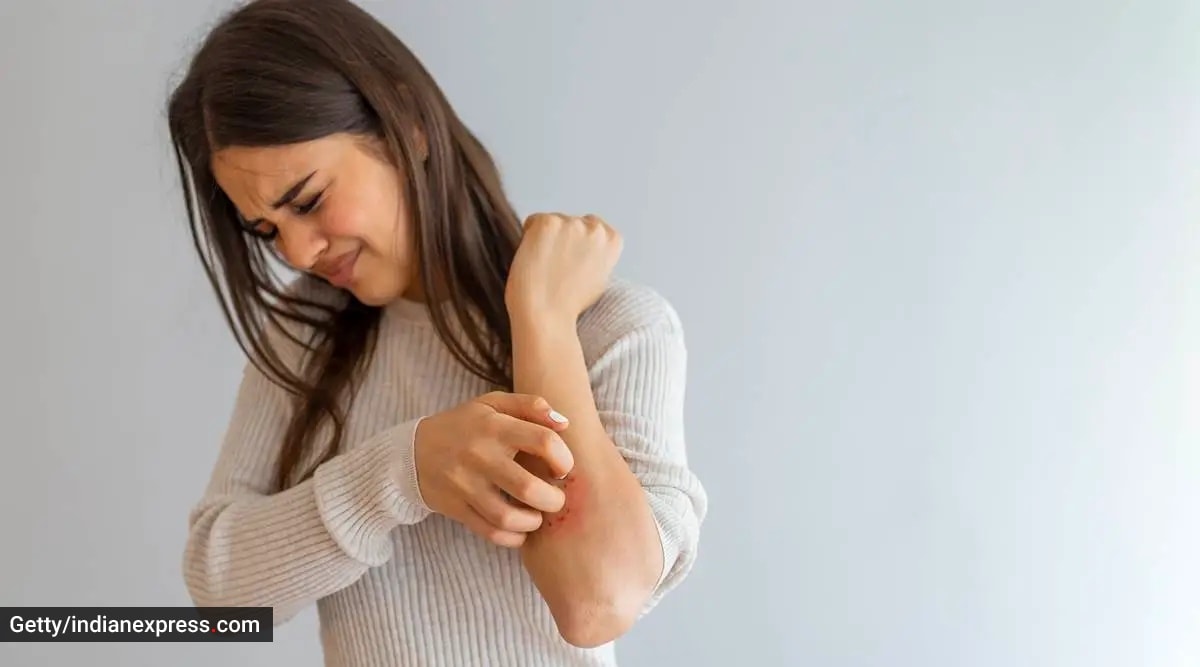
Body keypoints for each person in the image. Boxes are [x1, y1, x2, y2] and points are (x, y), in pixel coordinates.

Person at [167, 1, 708, 665]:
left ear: (409, 127)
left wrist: (539, 321)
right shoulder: (304, 341)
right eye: (267, 230)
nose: (299, 251)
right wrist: (403, 471)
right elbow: (221, 596)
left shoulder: (612, 328)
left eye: (307, 201)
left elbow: (594, 600)